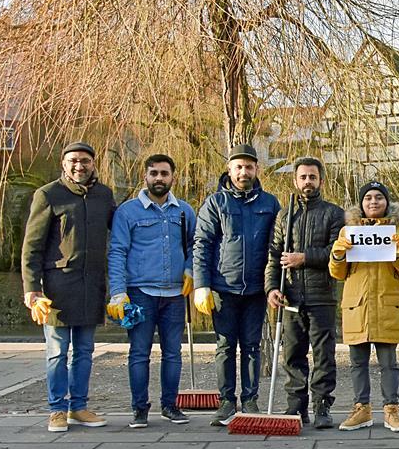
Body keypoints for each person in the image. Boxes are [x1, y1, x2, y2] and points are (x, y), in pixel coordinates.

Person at [21, 141, 115, 433]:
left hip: (92, 285)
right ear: (64, 163)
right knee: (57, 351)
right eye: (73, 160)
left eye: (85, 160)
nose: (79, 166)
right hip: (57, 287)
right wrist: (31, 288)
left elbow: (121, 231)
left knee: (85, 350)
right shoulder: (48, 195)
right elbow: (32, 247)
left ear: (93, 163)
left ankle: (79, 407)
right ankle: (57, 410)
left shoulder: (104, 195)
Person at [192, 144, 280, 426]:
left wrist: (274, 285)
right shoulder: (216, 203)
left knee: (252, 346)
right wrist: (201, 284)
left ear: (256, 170)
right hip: (223, 288)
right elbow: (202, 244)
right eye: (239, 167)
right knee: (225, 346)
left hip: (256, 289)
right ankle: (227, 401)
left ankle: (251, 399)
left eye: (249, 167)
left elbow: (276, 247)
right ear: (229, 170)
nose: (244, 172)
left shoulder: (270, 204)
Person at [106, 154, 196, 428]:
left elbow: (195, 246)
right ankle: (139, 409)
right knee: (139, 352)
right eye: (154, 173)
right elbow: (117, 252)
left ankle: (170, 406)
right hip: (140, 293)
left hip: (174, 295)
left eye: (164, 173)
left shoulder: (184, 211)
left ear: (173, 177)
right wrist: (118, 292)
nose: (159, 178)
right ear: (145, 177)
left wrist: (191, 270)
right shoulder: (128, 212)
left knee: (173, 353)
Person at [329, 181, 399, 433]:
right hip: (357, 306)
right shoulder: (348, 232)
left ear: (387, 202)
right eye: (368, 198)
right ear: (361, 203)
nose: (374, 201)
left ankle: (391, 410)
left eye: (379, 197)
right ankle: (362, 409)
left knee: (389, 362)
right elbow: (338, 273)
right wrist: (337, 255)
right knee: (358, 362)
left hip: (388, 305)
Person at [264, 157, 344, 429]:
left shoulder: (334, 214)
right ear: (295, 180)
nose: (307, 182)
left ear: (320, 180)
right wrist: (272, 288)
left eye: (312, 177)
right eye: (303, 177)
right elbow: (275, 255)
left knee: (324, 354)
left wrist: (304, 258)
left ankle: (322, 405)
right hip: (291, 296)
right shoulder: (285, 215)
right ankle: (295, 406)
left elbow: (337, 253)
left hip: (322, 295)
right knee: (292, 354)